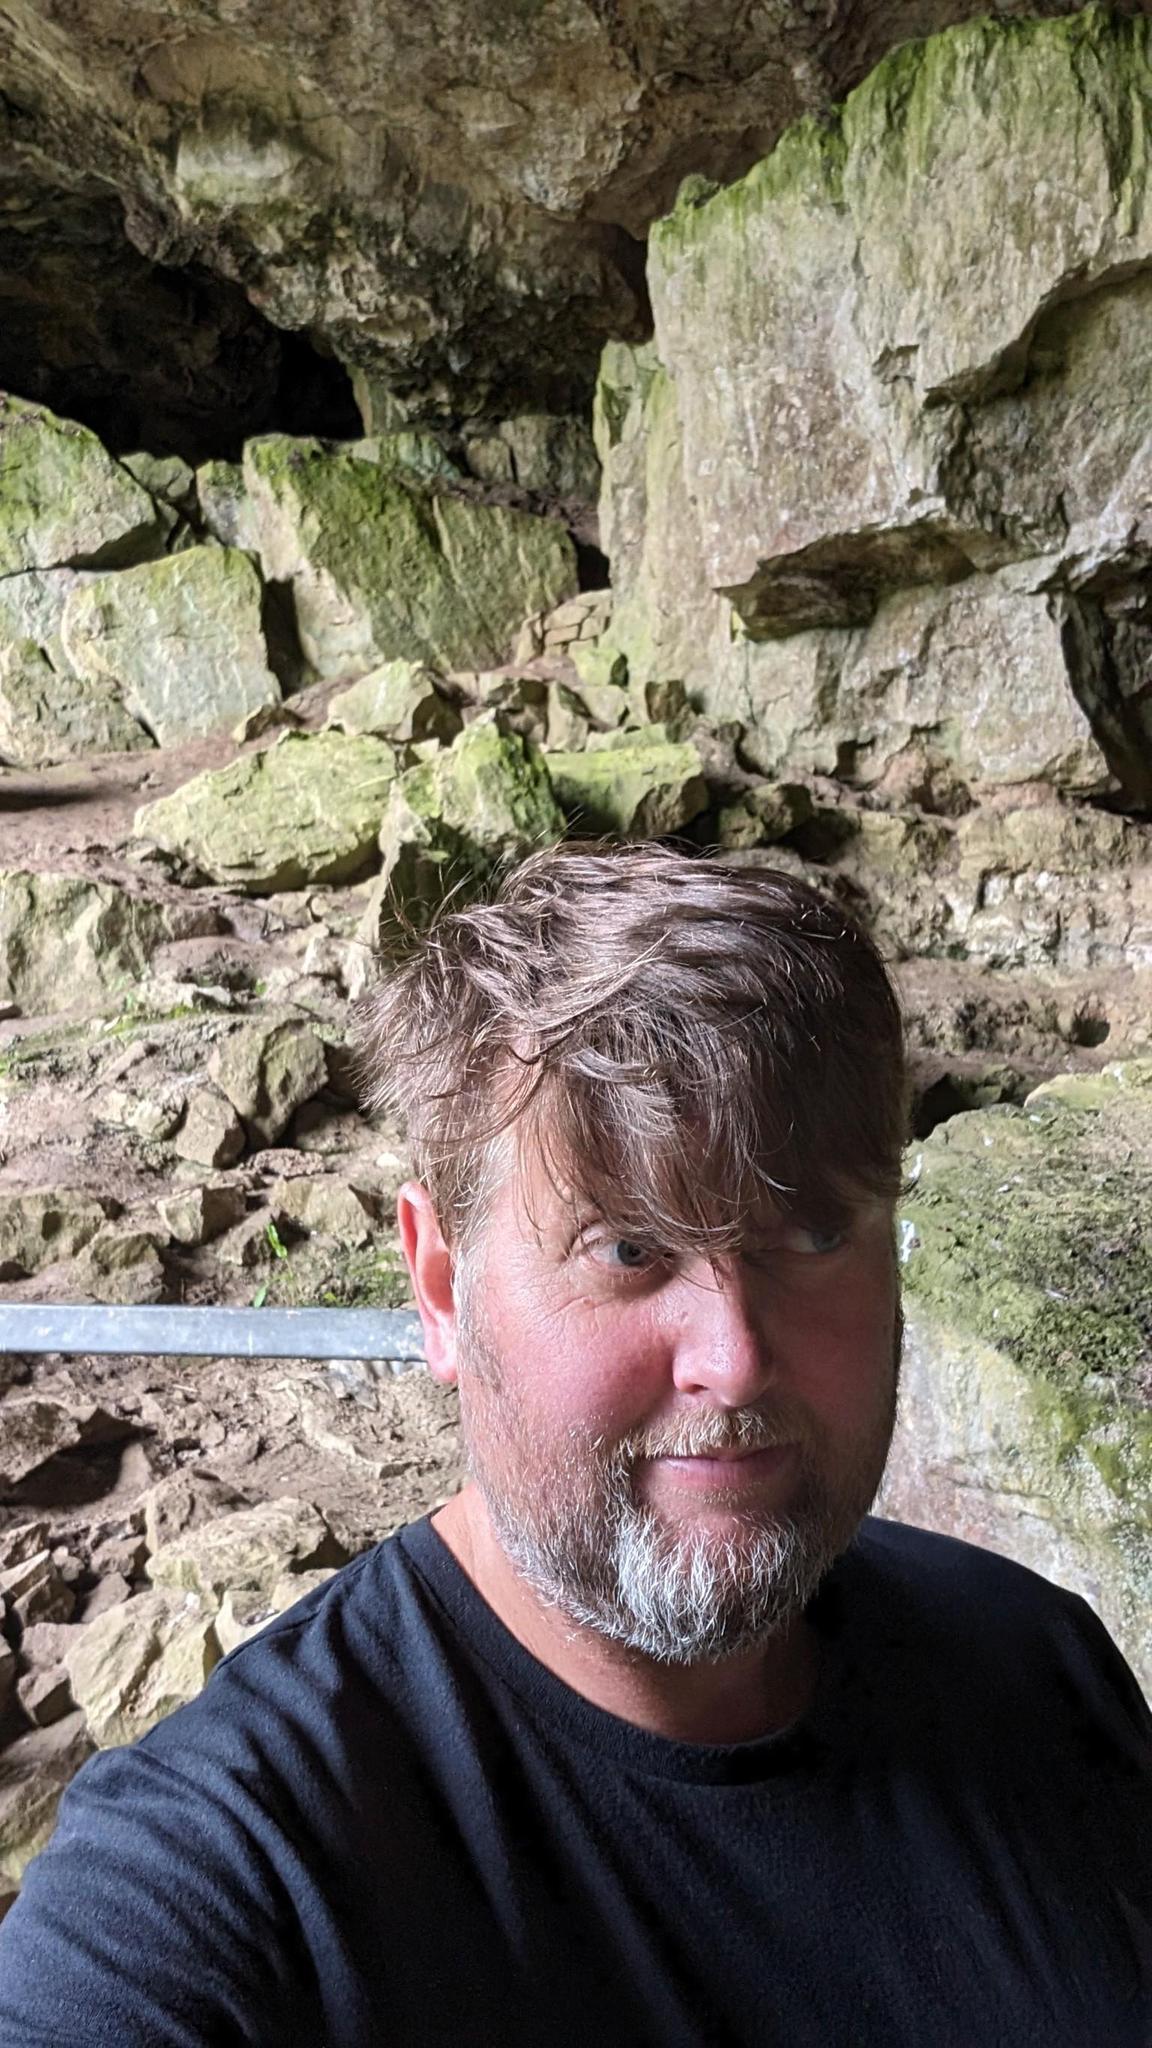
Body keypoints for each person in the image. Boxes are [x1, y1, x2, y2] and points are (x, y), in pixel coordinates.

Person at [0, 841, 1148, 2047]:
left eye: (813, 1233)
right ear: (441, 1285)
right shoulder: (223, 1877)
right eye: (629, 1249)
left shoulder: (1041, 1667)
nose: (733, 1355)